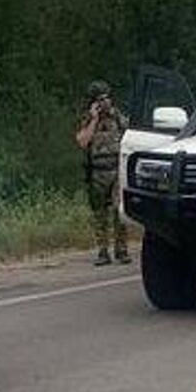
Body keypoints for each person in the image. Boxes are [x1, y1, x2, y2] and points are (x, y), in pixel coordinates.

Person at [74, 80, 130, 266]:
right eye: (100, 100)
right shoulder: (88, 119)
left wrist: (113, 113)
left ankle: (121, 250)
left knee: (117, 210)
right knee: (99, 214)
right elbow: (82, 141)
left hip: (115, 169)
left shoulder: (117, 117)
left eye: (107, 98)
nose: (105, 103)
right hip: (97, 172)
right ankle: (103, 251)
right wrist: (94, 119)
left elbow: (129, 134)